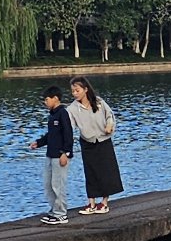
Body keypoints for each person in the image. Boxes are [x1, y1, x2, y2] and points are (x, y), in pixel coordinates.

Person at [68, 78, 122, 215]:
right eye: (73, 91)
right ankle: (91, 203)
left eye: (77, 90)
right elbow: (69, 126)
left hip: (103, 140)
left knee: (107, 171)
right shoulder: (72, 108)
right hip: (87, 142)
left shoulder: (98, 102)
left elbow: (110, 115)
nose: (75, 93)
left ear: (86, 89)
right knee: (90, 172)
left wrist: (109, 126)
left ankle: (104, 202)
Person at [29, 85, 77, 223]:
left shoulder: (63, 113)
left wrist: (65, 153)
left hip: (60, 156)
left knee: (58, 184)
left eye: (47, 99)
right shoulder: (52, 116)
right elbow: (51, 135)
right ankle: (54, 209)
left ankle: (61, 213)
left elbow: (68, 135)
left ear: (55, 99)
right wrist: (39, 143)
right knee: (48, 184)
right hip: (50, 154)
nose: (45, 102)